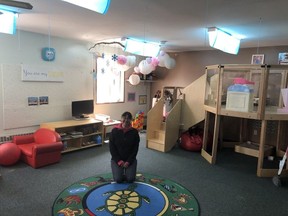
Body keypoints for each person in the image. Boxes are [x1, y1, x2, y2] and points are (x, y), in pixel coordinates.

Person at [109, 111, 140, 183]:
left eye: (128, 118)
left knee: (130, 179)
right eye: (124, 118)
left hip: (129, 160)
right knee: (118, 179)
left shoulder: (134, 132)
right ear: (121, 119)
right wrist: (119, 161)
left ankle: (127, 171)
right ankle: (120, 172)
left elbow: (135, 149)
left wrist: (129, 161)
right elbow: (112, 148)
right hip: (117, 160)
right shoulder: (114, 131)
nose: (126, 120)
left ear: (131, 120)